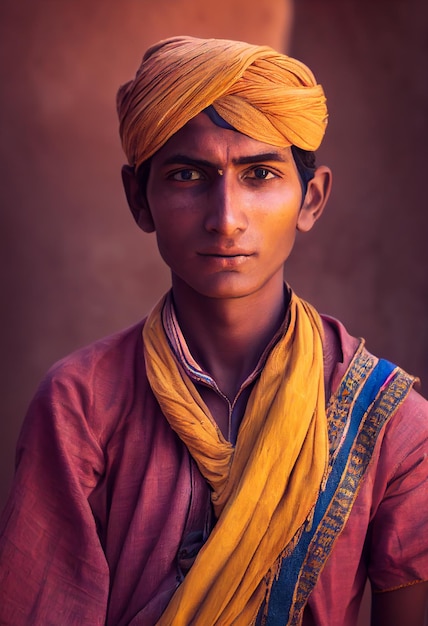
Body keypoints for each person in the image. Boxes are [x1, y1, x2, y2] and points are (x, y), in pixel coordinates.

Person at [0, 35, 427, 626]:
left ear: (311, 198)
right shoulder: (81, 404)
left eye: (259, 174)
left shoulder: (389, 423)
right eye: (186, 175)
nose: (225, 218)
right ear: (138, 201)